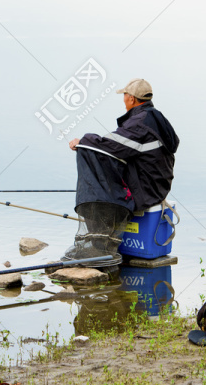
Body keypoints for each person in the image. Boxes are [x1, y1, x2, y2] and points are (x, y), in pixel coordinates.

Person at [62, 78, 179, 263]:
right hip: (158, 185)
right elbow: (121, 144)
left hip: (146, 190)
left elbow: (111, 145)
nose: (123, 99)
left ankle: (101, 241)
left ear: (132, 99)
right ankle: (106, 235)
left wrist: (82, 142)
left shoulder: (139, 123)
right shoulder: (156, 116)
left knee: (99, 175)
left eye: (124, 95)